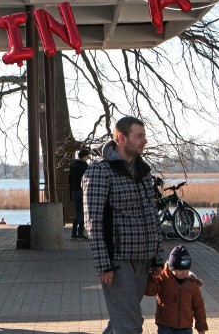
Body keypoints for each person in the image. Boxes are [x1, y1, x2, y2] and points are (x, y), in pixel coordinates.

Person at [83, 116, 164, 334]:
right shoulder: (99, 171)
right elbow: (93, 221)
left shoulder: (144, 172)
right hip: (117, 261)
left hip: (144, 258)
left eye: (144, 136)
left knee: (122, 320)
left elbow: (152, 216)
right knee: (130, 325)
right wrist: (104, 265)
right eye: (139, 136)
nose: (144, 141)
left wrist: (158, 257)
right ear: (121, 138)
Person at [145, 245, 208, 334]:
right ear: (171, 268)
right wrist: (151, 277)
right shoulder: (163, 278)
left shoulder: (191, 282)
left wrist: (201, 326)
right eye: (180, 270)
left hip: (185, 326)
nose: (184, 273)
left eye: (187, 270)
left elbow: (199, 306)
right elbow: (149, 291)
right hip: (166, 325)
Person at [68, 149, 90, 240]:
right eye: (88, 156)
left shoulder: (73, 165)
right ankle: (80, 232)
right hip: (82, 190)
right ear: (84, 156)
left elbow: (69, 179)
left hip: (74, 190)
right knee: (82, 212)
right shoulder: (85, 166)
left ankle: (74, 232)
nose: (88, 158)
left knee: (77, 212)